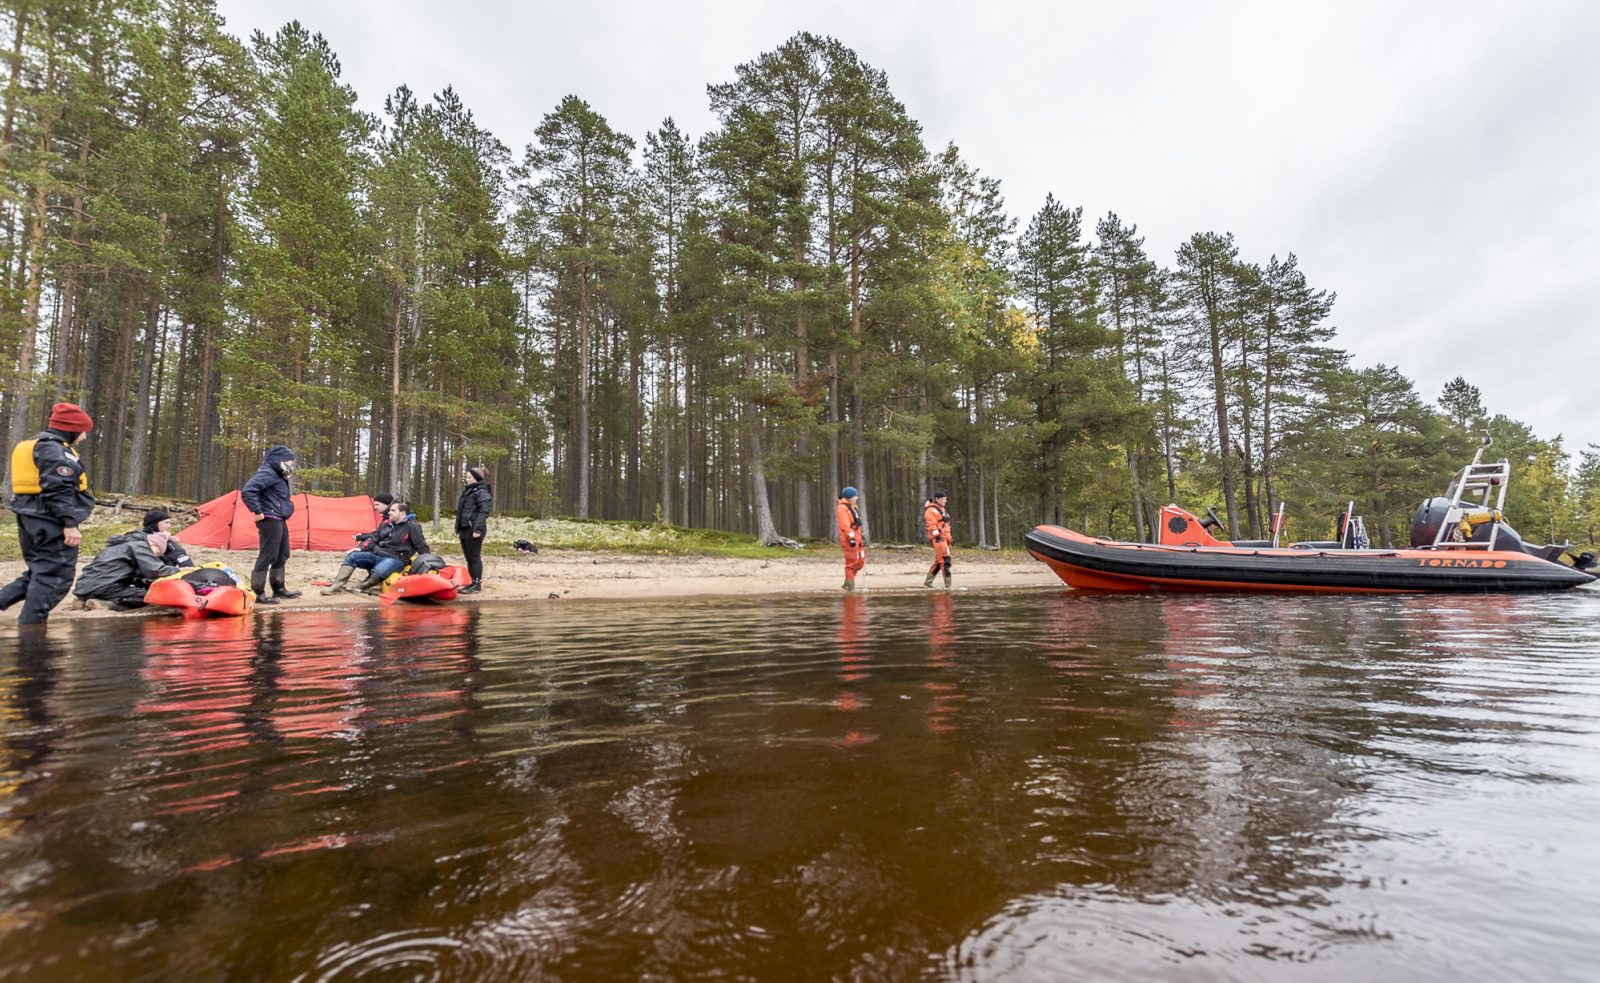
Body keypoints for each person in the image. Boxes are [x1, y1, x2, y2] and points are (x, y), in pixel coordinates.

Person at [1, 402, 96, 625]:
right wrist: (69, 523)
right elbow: (58, 489)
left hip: (29, 516)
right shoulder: (55, 450)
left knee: (39, 572)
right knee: (54, 576)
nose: (83, 437)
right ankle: (31, 632)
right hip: (49, 519)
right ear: (71, 429)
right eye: (82, 432)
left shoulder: (31, 445)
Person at [239, 444, 300, 605]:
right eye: (290, 461)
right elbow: (248, 490)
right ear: (281, 460)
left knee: (282, 553)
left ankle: (279, 588)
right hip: (269, 518)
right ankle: (258, 592)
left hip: (279, 517)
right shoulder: (268, 472)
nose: (292, 465)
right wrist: (257, 511)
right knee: (268, 554)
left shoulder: (278, 474)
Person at [327, 500, 429, 595]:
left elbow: (421, 546)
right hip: (377, 554)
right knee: (352, 557)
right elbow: (374, 538)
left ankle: (362, 587)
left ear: (402, 513)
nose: (389, 513)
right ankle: (336, 586)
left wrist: (428, 563)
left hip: (396, 559)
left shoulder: (412, 526)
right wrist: (361, 548)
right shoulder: (385, 524)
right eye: (389, 510)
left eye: (393, 510)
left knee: (379, 571)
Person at [72, 528, 180, 611]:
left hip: (84, 586)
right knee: (150, 597)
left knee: (129, 589)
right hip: (104, 586)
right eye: (157, 552)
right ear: (152, 544)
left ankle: (83, 601)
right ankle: (105, 604)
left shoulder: (117, 546)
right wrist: (180, 571)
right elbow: (157, 571)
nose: (155, 556)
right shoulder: (139, 546)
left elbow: (133, 578)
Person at [322, 492, 395, 594]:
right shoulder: (386, 519)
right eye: (374, 504)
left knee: (366, 552)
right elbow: (377, 535)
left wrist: (362, 542)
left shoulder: (396, 521)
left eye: (377, 504)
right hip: (382, 553)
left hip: (392, 557)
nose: (375, 507)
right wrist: (362, 541)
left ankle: (369, 581)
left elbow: (378, 537)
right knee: (355, 555)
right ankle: (337, 586)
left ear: (387, 504)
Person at [455, 466, 492, 594]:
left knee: (474, 557)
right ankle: (471, 582)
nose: (467, 479)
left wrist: (478, 529)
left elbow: (484, 511)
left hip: (474, 529)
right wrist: (459, 528)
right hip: (465, 529)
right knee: (469, 557)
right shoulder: (469, 491)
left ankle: (477, 584)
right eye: (466, 477)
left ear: (476, 478)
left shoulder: (482, 492)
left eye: (469, 477)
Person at [836, 486, 866, 592]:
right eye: (855, 496)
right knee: (852, 562)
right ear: (849, 497)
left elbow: (857, 524)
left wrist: (861, 536)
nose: (857, 497)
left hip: (858, 538)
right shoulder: (842, 508)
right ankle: (850, 586)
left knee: (860, 562)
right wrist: (851, 538)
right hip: (850, 540)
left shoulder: (853, 506)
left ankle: (847, 582)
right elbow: (844, 526)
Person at [922, 489, 953, 588]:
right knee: (945, 560)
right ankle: (949, 586)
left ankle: (928, 582)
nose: (945, 501)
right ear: (937, 499)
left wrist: (950, 538)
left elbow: (947, 526)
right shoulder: (931, 510)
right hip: (939, 539)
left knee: (940, 562)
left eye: (946, 499)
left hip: (945, 539)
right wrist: (937, 536)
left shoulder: (942, 510)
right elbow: (931, 525)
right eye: (943, 499)